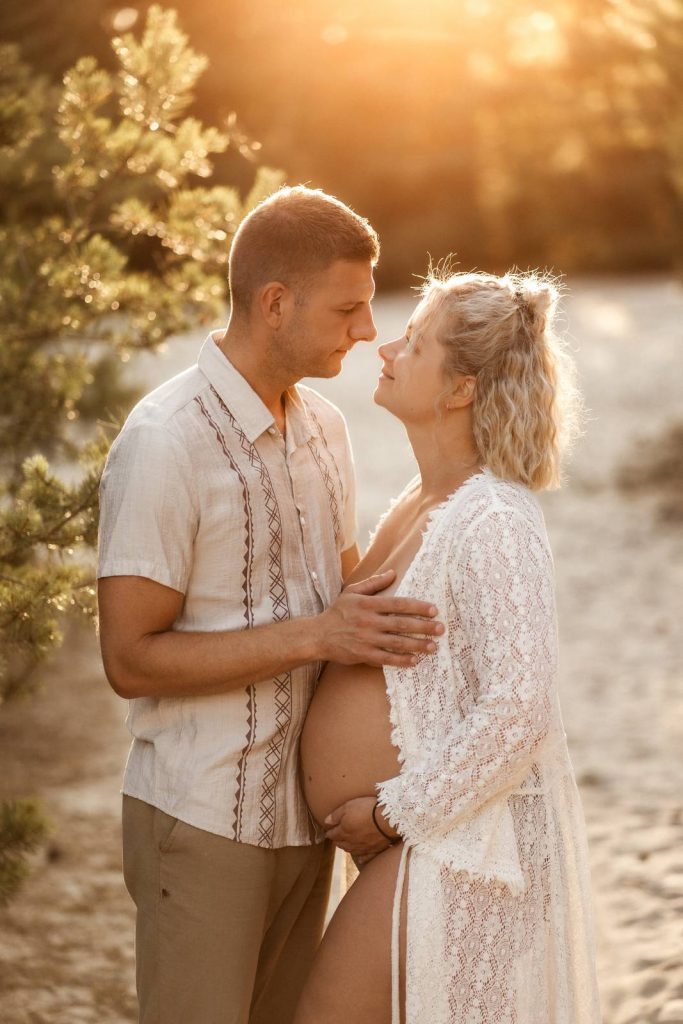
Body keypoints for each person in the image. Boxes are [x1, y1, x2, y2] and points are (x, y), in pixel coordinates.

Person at [96, 186, 444, 1024]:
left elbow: (342, 591)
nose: (366, 331)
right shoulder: (163, 441)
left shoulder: (325, 426)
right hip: (203, 817)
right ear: (275, 303)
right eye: (348, 309)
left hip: (307, 821)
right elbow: (128, 658)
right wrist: (318, 633)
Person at [296, 269, 602, 1023]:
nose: (388, 347)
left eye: (416, 342)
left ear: (460, 388)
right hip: (418, 845)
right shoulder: (419, 499)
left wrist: (393, 813)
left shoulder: (492, 517)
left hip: (457, 848)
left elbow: (520, 710)